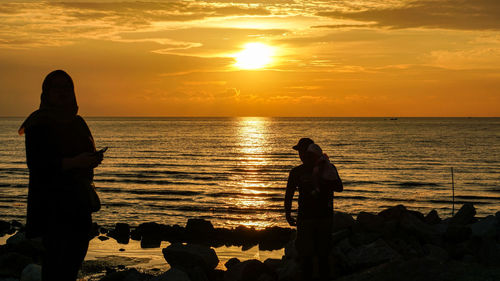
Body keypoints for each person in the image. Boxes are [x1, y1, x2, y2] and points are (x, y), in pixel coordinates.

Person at [19, 70, 104, 281]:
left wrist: (92, 160)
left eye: (66, 87)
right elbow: (38, 164)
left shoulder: (78, 122)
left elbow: (85, 155)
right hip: (52, 206)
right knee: (56, 264)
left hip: (78, 203)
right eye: (56, 87)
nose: (62, 92)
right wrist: (76, 162)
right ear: (46, 92)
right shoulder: (38, 123)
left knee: (73, 262)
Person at [284, 138, 343, 281]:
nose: (300, 155)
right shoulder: (297, 172)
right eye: (299, 152)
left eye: (302, 151)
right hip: (307, 217)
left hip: (322, 217)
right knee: (307, 256)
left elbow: (339, 187)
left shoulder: (327, 168)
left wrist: (320, 181)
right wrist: (288, 214)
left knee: (321, 255)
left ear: (310, 151)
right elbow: (289, 193)